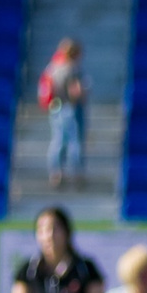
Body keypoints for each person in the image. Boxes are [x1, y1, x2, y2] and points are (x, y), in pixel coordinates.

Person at [39, 37, 86, 190]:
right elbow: (75, 92)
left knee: (58, 140)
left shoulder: (52, 67)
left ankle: (56, 172)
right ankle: (76, 173)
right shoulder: (71, 68)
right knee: (74, 141)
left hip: (55, 107)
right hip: (68, 107)